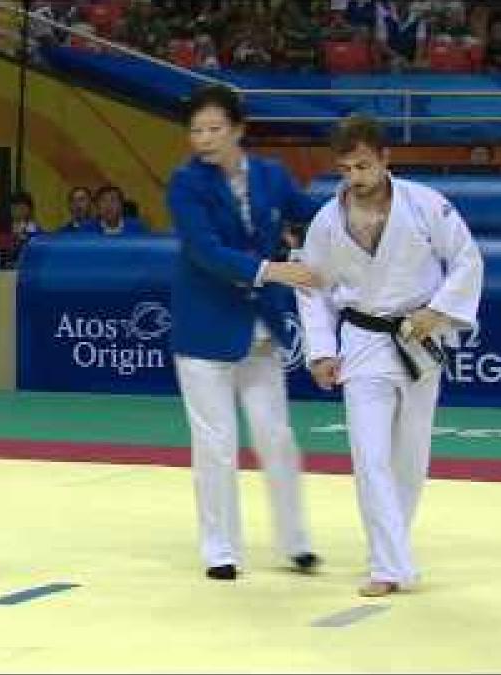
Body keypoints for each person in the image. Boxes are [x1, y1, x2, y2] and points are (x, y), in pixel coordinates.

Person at [295, 114, 483, 597]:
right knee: (369, 455)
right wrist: (320, 350)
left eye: (362, 166)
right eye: (345, 169)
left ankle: (389, 553)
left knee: (410, 458)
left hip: (420, 340)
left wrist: (438, 310)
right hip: (362, 340)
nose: (354, 178)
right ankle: (388, 564)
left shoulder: (426, 205)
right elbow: (312, 287)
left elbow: (467, 259)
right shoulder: (326, 220)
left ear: (384, 159)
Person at [167, 84, 323, 582]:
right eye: (196, 131)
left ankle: (295, 541)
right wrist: (274, 271)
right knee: (215, 442)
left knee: (276, 437)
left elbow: (313, 214)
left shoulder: (273, 176)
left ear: (238, 129)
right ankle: (219, 549)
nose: (205, 139)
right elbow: (206, 251)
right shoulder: (185, 185)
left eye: (214, 129)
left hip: (261, 329)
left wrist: (361, 208)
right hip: (204, 329)